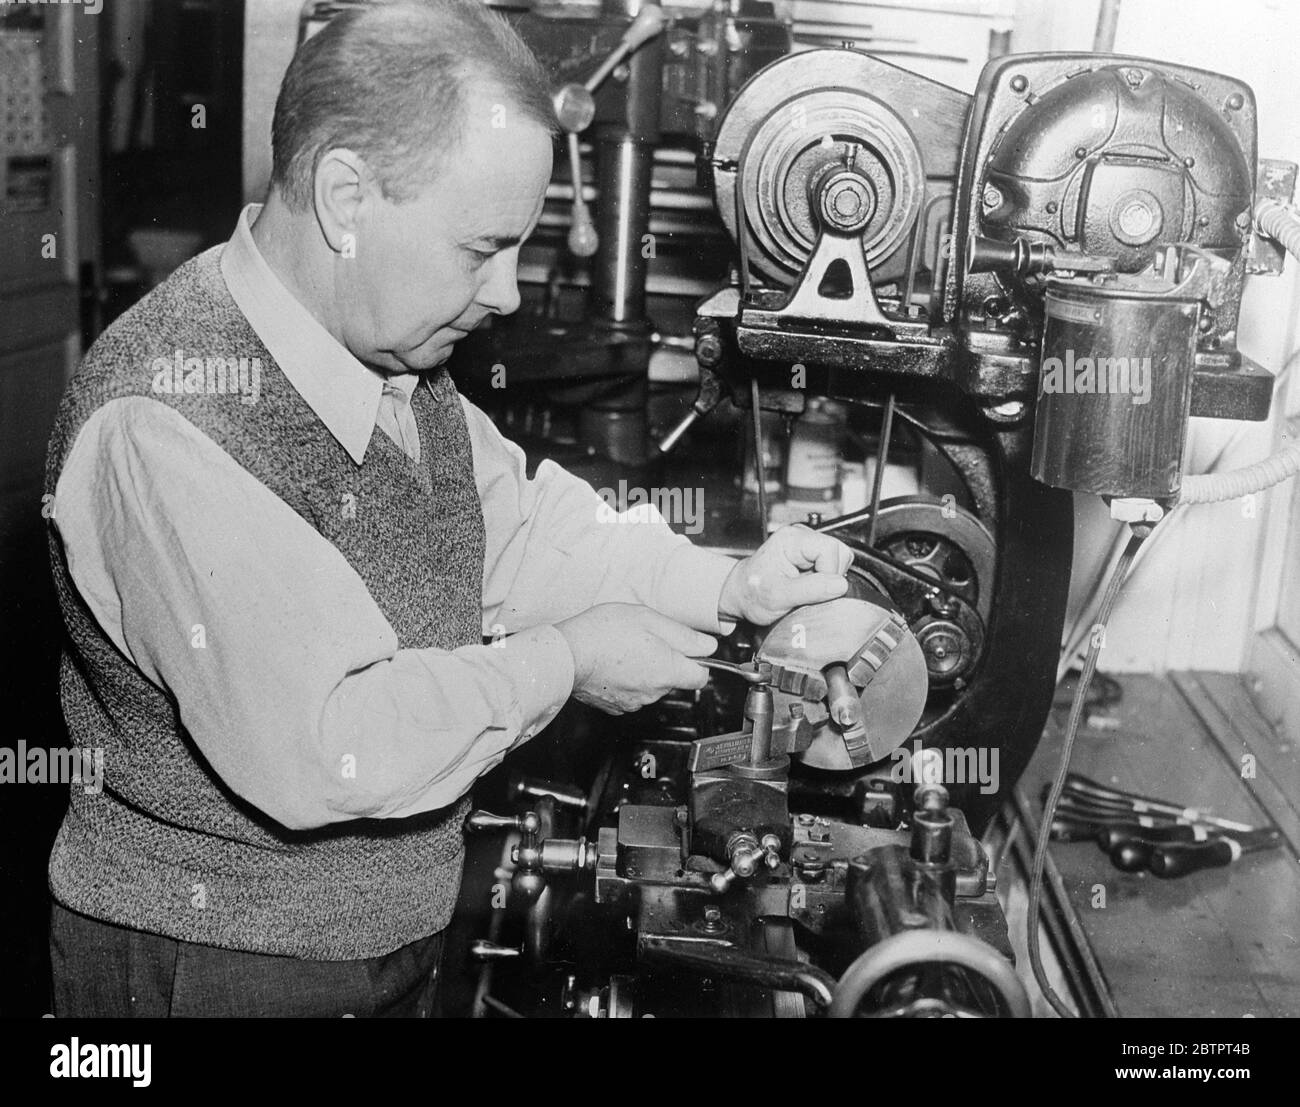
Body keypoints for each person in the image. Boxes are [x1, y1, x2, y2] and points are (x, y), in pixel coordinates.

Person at [43, 0, 853, 1016]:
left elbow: (523, 537)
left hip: (387, 935)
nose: (508, 293)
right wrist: (568, 663)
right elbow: (328, 743)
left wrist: (730, 581)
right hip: (215, 965)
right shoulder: (166, 418)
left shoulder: (386, 362)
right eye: (483, 247)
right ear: (346, 198)